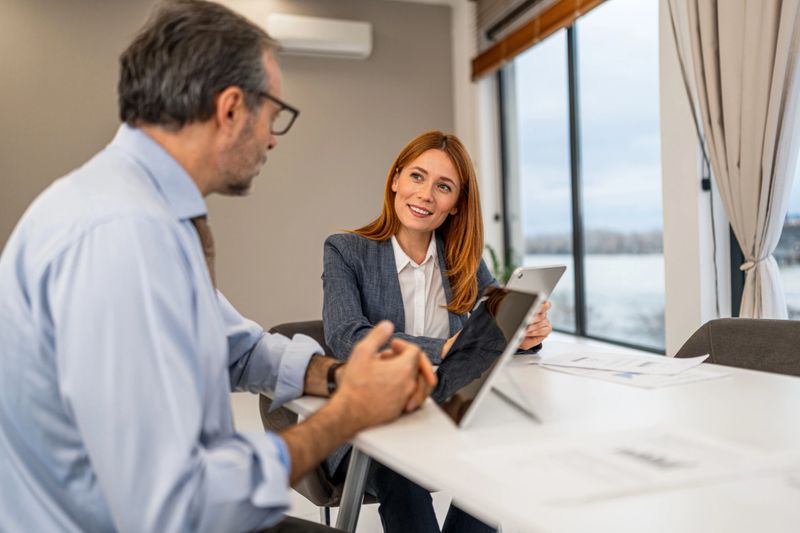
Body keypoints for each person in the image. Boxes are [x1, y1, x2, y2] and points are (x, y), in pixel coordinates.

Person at [0, 1, 435, 532]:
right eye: (274, 115)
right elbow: (176, 504)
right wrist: (349, 414)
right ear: (230, 109)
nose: (274, 137)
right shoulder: (123, 236)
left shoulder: (148, 211)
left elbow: (241, 348)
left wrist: (341, 375)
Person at [321, 131, 552, 532]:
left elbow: (490, 332)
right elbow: (347, 337)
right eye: (416, 177)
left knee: (498, 460)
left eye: (443, 186)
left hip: (446, 408)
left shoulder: (462, 260)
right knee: (401, 469)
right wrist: (443, 347)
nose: (426, 194)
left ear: (456, 204)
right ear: (395, 180)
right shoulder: (346, 250)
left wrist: (526, 334)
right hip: (373, 418)